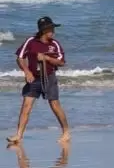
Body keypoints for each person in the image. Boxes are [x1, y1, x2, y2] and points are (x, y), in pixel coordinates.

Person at [7, 17, 71, 145]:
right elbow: (20, 58)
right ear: (42, 30)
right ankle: (18, 135)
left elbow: (62, 62)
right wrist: (27, 71)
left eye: (53, 28)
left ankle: (66, 132)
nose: (52, 31)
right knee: (26, 105)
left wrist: (46, 58)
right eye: (50, 28)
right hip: (34, 78)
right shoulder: (30, 41)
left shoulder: (55, 44)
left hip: (49, 77)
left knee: (55, 105)